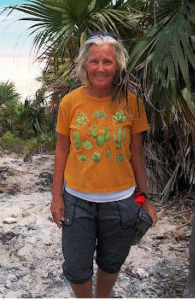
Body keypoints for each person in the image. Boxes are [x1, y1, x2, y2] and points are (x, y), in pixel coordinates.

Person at [50, 33, 158, 298]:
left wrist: (144, 199)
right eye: (94, 61)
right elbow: (62, 151)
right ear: (85, 65)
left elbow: (136, 155)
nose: (100, 68)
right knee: (75, 268)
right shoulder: (70, 102)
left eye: (107, 61)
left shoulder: (132, 103)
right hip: (76, 201)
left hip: (122, 203)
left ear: (117, 65)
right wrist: (56, 197)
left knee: (111, 263)